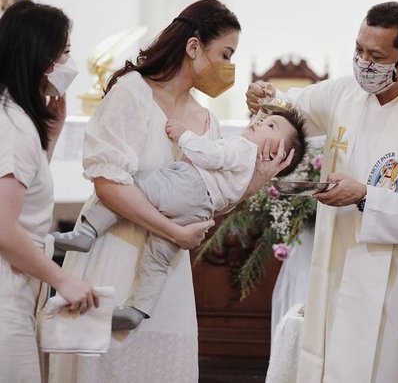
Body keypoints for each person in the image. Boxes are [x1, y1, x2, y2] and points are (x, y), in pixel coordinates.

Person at [49, 0, 291, 383]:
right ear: (194, 47)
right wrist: (174, 232)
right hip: (114, 257)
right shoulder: (132, 92)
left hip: (164, 280)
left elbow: (208, 200)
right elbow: (109, 186)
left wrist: (257, 179)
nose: (229, 66)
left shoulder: (206, 120)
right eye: (225, 54)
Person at [247, 1, 398, 383]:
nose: (363, 62)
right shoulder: (345, 93)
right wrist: (264, 100)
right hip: (338, 267)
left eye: (376, 56)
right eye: (358, 49)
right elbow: (291, 113)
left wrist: (365, 196)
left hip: (397, 282)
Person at [53, 112, 306, 330]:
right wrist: (263, 123)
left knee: (131, 190)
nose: (260, 121)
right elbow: (230, 193)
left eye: (270, 126)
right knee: (159, 258)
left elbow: (211, 155)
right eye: (263, 119)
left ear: (276, 152)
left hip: (186, 184)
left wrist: (184, 135)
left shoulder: (243, 148)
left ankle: (88, 230)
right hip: (199, 211)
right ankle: (136, 308)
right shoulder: (250, 169)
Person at [0, 0, 99, 383]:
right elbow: (5, 230)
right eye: (66, 54)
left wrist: (50, 140)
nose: (69, 65)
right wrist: (63, 280)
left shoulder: (15, 116)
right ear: (42, 58)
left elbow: (22, 196)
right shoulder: (13, 123)